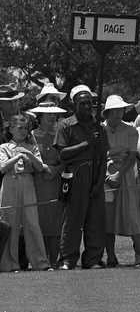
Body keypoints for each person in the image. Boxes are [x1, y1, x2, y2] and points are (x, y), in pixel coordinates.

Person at [55, 85, 108, 270]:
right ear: (73, 104)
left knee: (95, 220)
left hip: (95, 175)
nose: (88, 106)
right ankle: (68, 259)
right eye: (83, 103)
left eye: (90, 103)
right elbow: (62, 154)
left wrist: (99, 182)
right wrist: (87, 143)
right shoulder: (65, 125)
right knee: (72, 220)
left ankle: (92, 259)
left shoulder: (99, 126)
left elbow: (103, 157)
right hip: (74, 175)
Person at [0, 111, 52, 271]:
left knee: (32, 222)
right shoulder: (4, 147)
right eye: (20, 128)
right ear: (11, 130)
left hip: (27, 182)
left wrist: (27, 152)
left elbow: (39, 166)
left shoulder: (32, 147)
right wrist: (17, 156)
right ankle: (10, 264)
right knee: (11, 223)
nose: (23, 131)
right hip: (10, 182)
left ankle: (41, 262)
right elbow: (3, 167)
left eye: (26, 128)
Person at [101, 94, 140, 268]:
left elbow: (133, 155)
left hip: (125, 175)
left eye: (121, 109)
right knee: (107, 218)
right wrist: (105, 174)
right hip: (104, 175)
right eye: (115, 110)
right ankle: (111, 257)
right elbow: (99, 155)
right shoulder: (100, 130)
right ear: (108, 113)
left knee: (133, 214)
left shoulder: (131, 130)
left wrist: (119, 174)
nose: (119, 113)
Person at [29, 102, 66, 265]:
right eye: (48, 114)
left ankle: (54, 258)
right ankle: (42, 260)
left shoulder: (61, 133)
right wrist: (43, 169)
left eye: (54, 114)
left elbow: (66, 158)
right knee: (40, 220)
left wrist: (56, 171)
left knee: (56, 220)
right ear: (40, 116)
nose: (52, 117)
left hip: (56, 181)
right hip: (38, 182)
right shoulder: (31, 135)